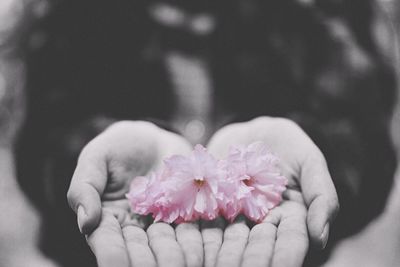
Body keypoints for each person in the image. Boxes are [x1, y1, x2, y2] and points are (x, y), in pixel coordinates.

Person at [0, 0, 396, 266]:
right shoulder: (76, 19)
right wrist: (90, 157)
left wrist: (318, 152)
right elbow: (41, 136)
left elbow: (363, 134)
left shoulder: (316, 15)